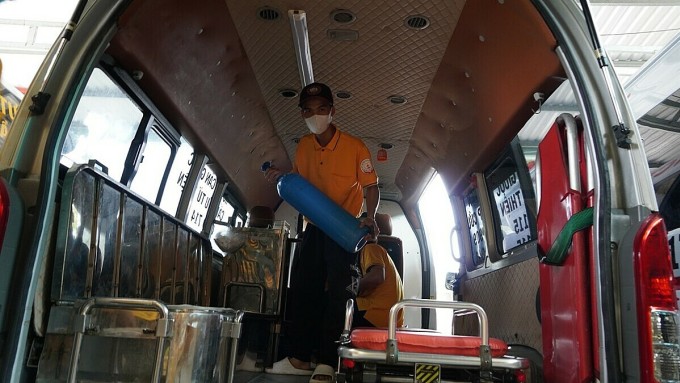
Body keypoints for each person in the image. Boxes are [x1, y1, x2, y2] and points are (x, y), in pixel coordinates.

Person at [264, 82, 380, 382]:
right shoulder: (303, 146)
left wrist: (368, 216)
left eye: (322, 109)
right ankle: (300, 357)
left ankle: (328, 362)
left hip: (344, 229)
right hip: (314, 228)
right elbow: (300, 185)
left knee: (339, 293)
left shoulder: (356, 147)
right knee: (303, 289)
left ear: (332, 111)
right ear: (302, 113)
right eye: (309, 111)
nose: (316, 115)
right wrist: (282, 176)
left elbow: (371, 186)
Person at [354, 240, 404, 328]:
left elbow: (376, 277)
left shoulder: (371, 248)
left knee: (338, 304)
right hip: (392, 319)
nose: (377, 231)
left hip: (377, 313)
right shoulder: (382, 254)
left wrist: (349, 288)